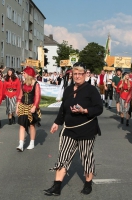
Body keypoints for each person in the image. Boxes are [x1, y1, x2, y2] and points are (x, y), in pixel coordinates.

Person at [44, 63, 103, 196]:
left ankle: (88, 184)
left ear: (85, 74)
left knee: (86, 157)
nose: (77, 76)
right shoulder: (68, 89)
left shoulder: (91, 90)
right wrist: (56, 122)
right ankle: (56, 186)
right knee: (63, 157)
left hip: (86, 129)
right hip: (69, 129)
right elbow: (63, 108)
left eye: (80, 74)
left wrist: (84, 110)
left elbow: (99, 108)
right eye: (75, 74)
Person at [16, 66, 41, 151]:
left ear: (29, 74)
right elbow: (20, 96)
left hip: (31, 106)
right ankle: (21, 144)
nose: (23, 74)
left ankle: (32, 142)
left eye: (24, 73)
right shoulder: (23, 83)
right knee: (22, 125)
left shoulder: (36, 84)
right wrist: (17, 107)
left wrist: (35, 106)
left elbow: (37, 96)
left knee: (31, 125)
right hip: (23, 106)